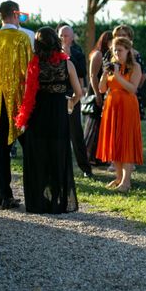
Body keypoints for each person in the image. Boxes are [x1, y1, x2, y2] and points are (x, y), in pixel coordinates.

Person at [15, 27, 81, 214]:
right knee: (58, 155)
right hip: (59, 114)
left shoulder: (34, 64)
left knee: (39, 156)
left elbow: (29, 95)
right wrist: (70, 104)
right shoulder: (67, 64)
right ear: (56, 41)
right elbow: (79, 92)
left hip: (38, 116)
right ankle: (58, 202)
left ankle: (38, 202)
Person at [0, 1, 32, 209]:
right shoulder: (22, 38)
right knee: (29, 148)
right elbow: (29, 72)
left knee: (2, 150)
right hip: (20, 102)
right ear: (14, 14)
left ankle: (5, 194)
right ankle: (33, 193)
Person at [96, 37, 144, 193]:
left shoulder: (135, 67)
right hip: (111, 106)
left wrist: (117, 76)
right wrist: (104, 75)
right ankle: (118, 177)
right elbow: (102, 89)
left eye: (120, 50)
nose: (117, 53)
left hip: (127, 106)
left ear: (128, 51)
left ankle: (126, 181)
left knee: (126, 141)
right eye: (115, 50)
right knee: (114, 142)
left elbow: (132, 88)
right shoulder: (112, 66)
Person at [58, 24, 93, 178]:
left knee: (75, 131)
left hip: (73, 95)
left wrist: (68, 55)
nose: (63, 38)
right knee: (58, 132)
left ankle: (86, 168)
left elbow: (82, 71)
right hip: (57, 95)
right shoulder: (53, 51)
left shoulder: (78, 52)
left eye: (66, 35)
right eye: (61, 35)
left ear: (72, 37)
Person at [83, 31, 113, 165]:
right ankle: (90, 155)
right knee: (94, 123)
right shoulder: (98, 54)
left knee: (102, 125)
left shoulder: (109, 55)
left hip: (104, 90)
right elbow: (92, 76)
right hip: (96, 90)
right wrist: (97, 94)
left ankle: (100, 155)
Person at [113, 25, 146, 120]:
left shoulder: (136, 55)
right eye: (117, 35)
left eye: (123, 35)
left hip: (129, 95)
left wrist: (135, 88)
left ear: (130, 37)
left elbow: (142, 75)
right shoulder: (111, 55)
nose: (120, 37)